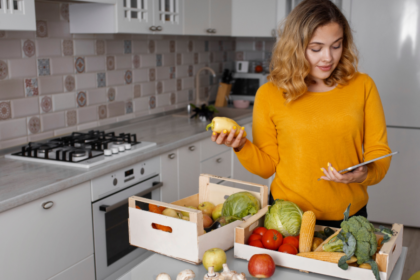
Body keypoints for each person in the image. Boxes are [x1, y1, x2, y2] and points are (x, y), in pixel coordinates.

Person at [211, 0, 392, 228]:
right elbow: (267, 166)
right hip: (287, 216)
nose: (328, 57)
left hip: (349, 217)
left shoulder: (362, 86)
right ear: (295, 47)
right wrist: (240, 146)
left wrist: (363, 174)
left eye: (336, 46)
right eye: (316, 48)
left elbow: (380, 152)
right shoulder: (270, 94)